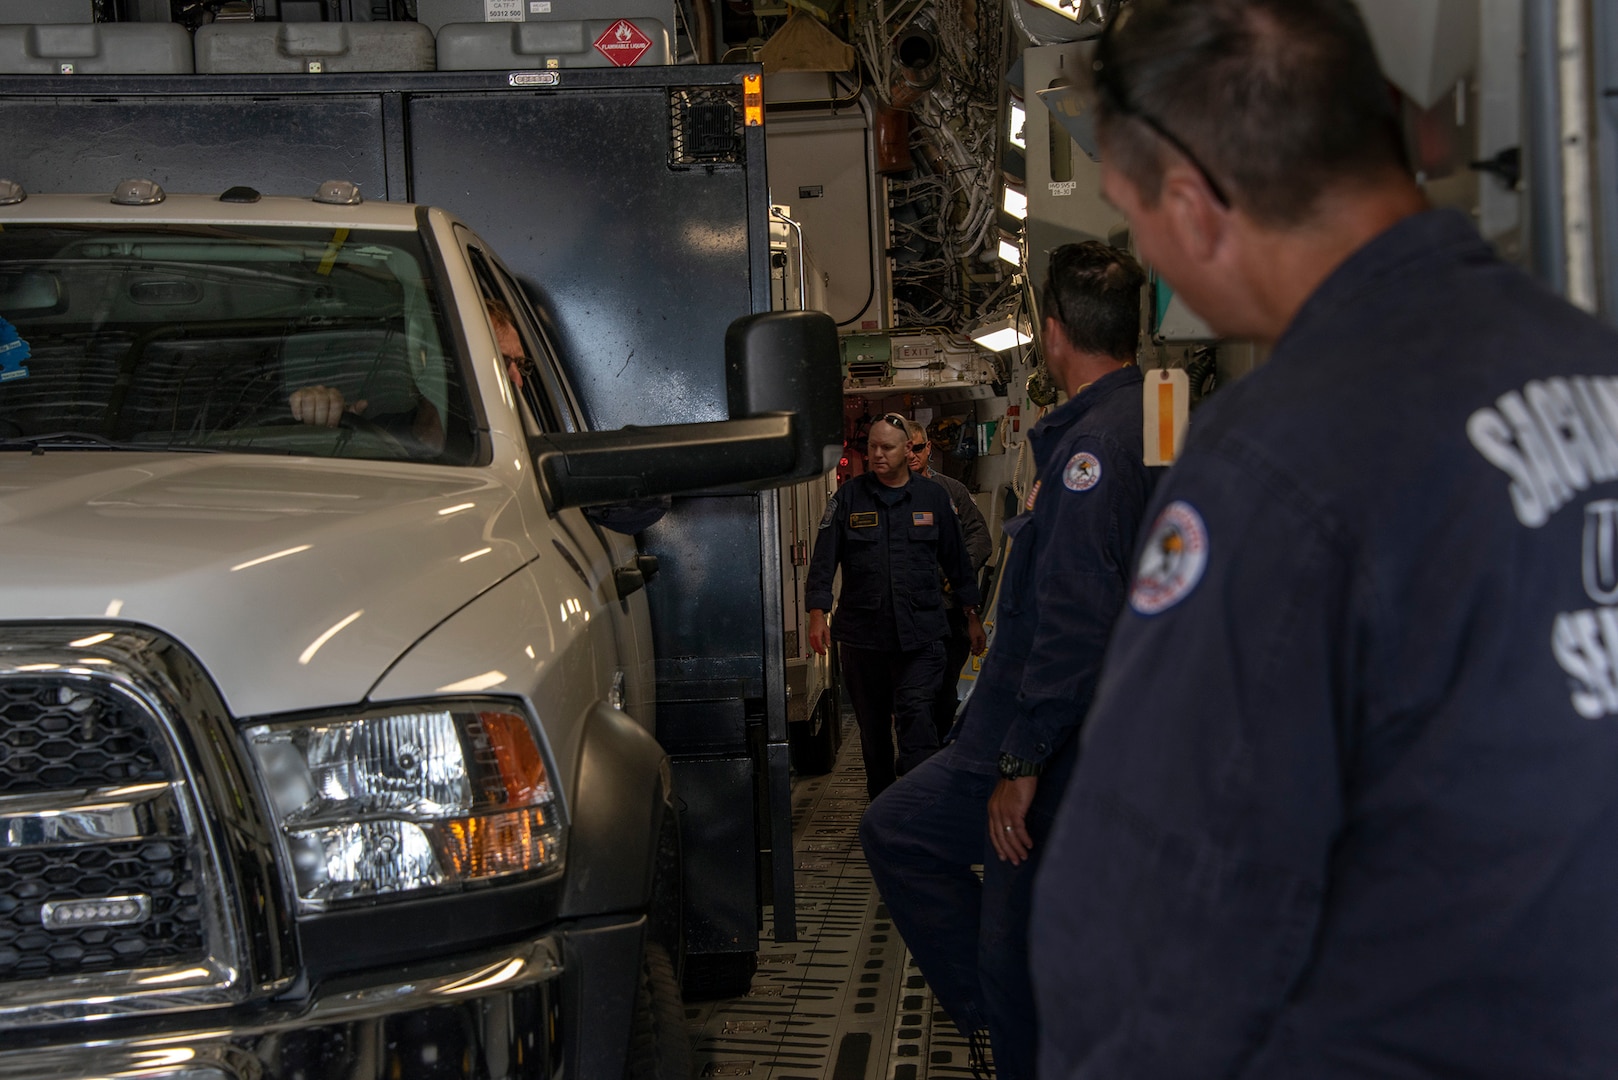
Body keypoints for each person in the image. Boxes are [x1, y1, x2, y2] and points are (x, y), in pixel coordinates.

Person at [1029, 2, 1618, 1077]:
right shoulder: (1594, 365)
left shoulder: (1277, 465)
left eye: (1130, 215)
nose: (1146, 254)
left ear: (1196, 207)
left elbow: (1148, 921)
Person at [860, 242, 1158, 1080]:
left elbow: (1075, 621)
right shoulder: (1144, 423)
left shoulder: (1092, 454)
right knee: (904, 831)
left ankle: (1009, 1028)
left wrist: (1022, 763)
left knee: (1013, 953)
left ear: (1054, 335)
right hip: (1071, 736)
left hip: (1041, 747)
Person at [806, 413, 986, 799]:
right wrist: (817, 613)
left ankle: (919, 811)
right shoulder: (849, 498)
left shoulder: (934, 498)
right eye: (871, 446)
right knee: (873, 734)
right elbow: (824, 560)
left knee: (917, 720)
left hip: (920, 637)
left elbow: (958, 562)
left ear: (908, 450)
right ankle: (883, 810)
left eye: (886, 447)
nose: (877, 454)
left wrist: (972, 616)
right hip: (863, 640)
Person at [904, 418, 994, 739]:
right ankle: (918, 753)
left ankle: (934, 750)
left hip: (948, 611)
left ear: (928, 448)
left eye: (917, 448)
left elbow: (980, 538)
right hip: (909, 613)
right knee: (913, 695)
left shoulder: (952, 492)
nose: (912, 455)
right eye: (906, 449)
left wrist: (958, 570)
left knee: (943, 690)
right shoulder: (886, 495)